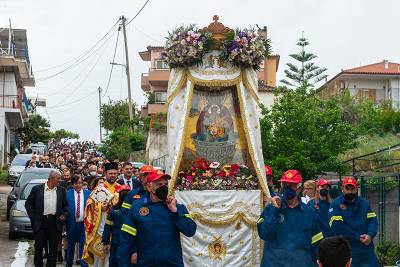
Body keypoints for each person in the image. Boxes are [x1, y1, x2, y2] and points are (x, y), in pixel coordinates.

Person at [117, 170, 197, 267]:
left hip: (172, 263)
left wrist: (175, 211)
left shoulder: (177, 207)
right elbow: (126, 240)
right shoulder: (137, 208)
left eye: (165, 184)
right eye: (159, 184)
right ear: (148, 187)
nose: (163, 187)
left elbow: (190, 231)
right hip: (146, 263)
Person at [257, 170, 323, 267]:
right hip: (274, 263)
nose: (287, 188)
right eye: (285, 184)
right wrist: (275, 210)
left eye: (291, 185)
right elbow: (264, 234)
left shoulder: (310, 213)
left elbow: (317, 245)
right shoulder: (271, 209)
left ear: (299, 189)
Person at [329, 177, 379, 267]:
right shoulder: (335, 204)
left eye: (352, 189)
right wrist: (358, 237)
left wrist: (370, 235)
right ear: (342, 189)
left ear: (357, 189)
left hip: (367, 249)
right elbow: (338, 227)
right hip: (348, 250)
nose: (350, 192)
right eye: (347, 188)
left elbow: (373, 221)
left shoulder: (364, 203)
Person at [25, 170, 68, 267]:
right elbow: (28, 204)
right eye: (58, 178)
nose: (59, 181)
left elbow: (66, 206)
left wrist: (64, 214)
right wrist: (33, 216)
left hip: (54, 223)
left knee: (53, 250)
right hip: (40, 223)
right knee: (39, 248)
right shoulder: (37, 189)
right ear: (51, 178)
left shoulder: (61, 190)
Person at [82, 162, 121, 266]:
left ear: (117, 173)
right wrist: (99, 208)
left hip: (117, 227)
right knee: (100, 255)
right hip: (101, 226)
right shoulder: (99, 189)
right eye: (110, 173)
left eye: (114, 173)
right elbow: (89, 205)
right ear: (105, 173)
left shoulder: (121, 189)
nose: (112, 175)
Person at [102, 185, 131, 267]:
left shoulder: (114, 210)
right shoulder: (134, 209)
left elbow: (108, 228)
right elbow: (108, 227)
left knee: (114, 262)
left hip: (117, 241)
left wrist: (105, 242)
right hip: (127, 242)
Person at [66, 176, 90, 267]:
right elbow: (64, 208)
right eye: (76, 183)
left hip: (84, 225)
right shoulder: (67, 194)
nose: (78, 185)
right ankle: (68, 264)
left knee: (83, 248)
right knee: (70, 248)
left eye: (80, 183)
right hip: (71, 225)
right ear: (72, 184)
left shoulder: (88, 193)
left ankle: (84, 265)